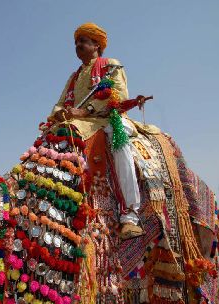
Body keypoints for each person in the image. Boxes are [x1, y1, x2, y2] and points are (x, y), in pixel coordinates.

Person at [48, 22, 147, 239]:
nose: (78, 45)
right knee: (48, 143)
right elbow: (60, 102)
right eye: (76, 42)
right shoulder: (74, 77)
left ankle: (130, 215)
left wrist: (88, 110)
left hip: (107, 117)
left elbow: (119, 94)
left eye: (83, 41)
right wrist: (58, 113)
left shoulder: (110, 65)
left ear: (96, 45)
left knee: (118, 142)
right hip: (77, 122)